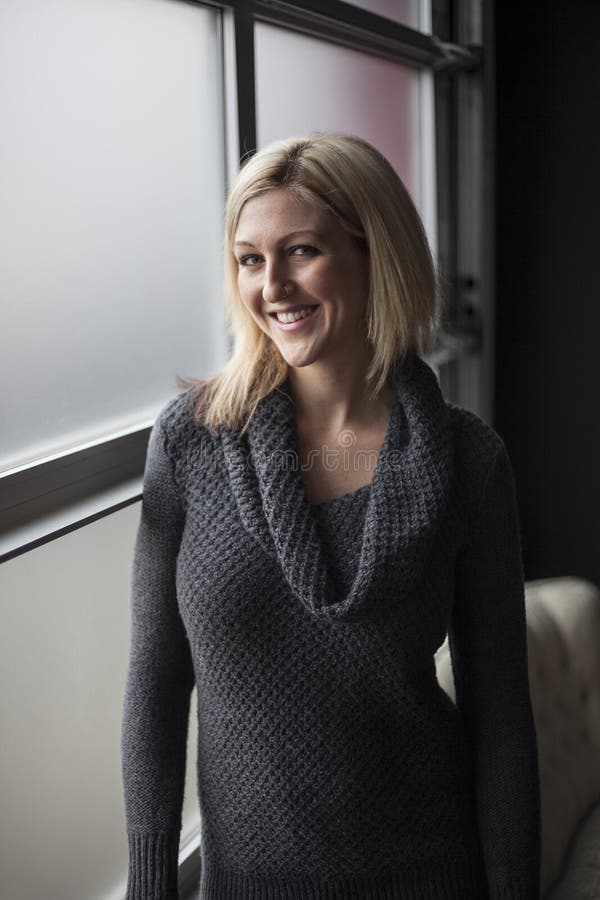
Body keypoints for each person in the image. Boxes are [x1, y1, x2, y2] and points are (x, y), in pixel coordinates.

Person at [121, 132, 541, 900]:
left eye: (301, 251)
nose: (272, 285)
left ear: (373, 252)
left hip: (430, 873)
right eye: (250, 259)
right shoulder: (189, 442)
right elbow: (155, 682)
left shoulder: (469, 462)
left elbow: (502, 713)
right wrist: (151, 884)